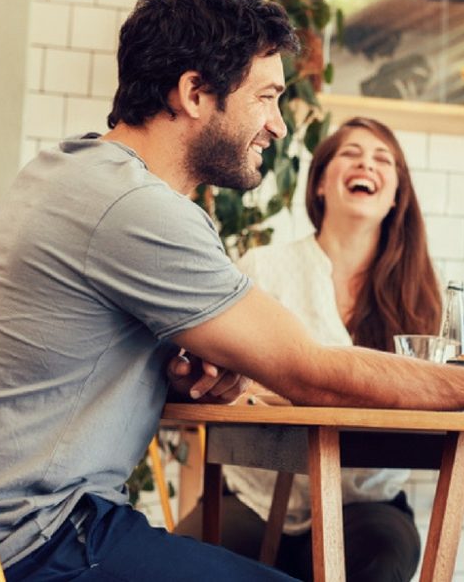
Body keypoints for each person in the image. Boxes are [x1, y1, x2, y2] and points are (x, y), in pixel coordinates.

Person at [0, 0, 464, 581]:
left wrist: (178, 368)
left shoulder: (73, 173)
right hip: (32, 542)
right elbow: (313, 374)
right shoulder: (138, 209)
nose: (280, 127)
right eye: (266, 98)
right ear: (194, 92)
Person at [173, 117, 437, 581]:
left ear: (397, 195)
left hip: (366, 502)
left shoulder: (421, 296)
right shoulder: (264, 267)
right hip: (253, 492)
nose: (366, 165)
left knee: (383, 554)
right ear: (319, 184)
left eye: (383, 160)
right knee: (181, 563)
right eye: (351, 154)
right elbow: (223, 382)